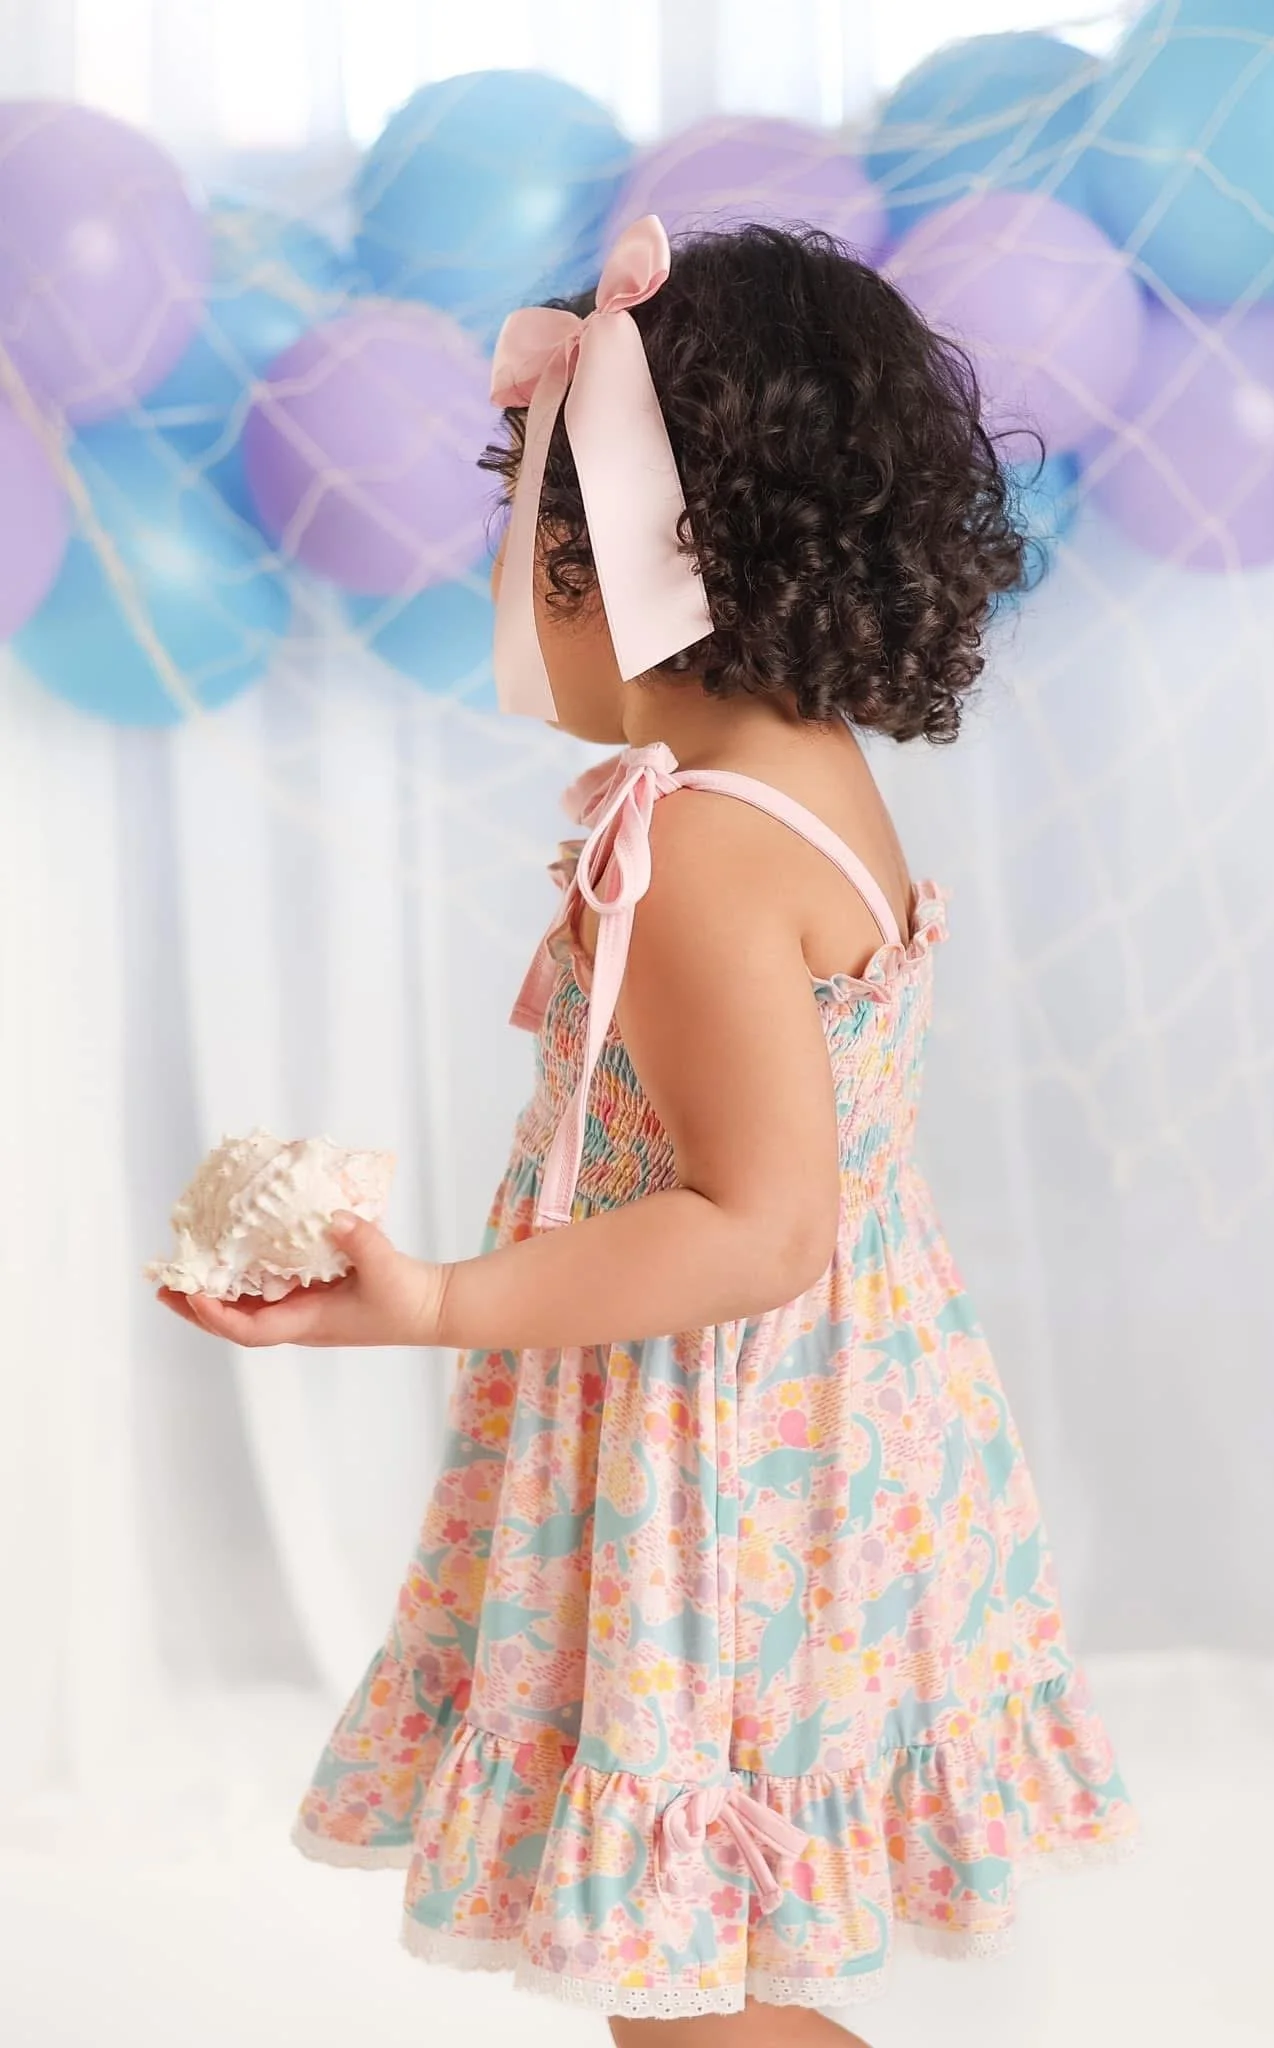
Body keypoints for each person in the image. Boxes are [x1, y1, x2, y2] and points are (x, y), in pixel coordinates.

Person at [160, 216, 1138, 2044]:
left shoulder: (701, 845)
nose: (504, 579)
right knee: (701, 1975)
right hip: (820, 1424)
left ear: (617, 550)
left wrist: (437, 1301)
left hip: (726, 1467)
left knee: (686, 1999)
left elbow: (759, 1223)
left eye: (525, 524)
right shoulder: (789, 772)